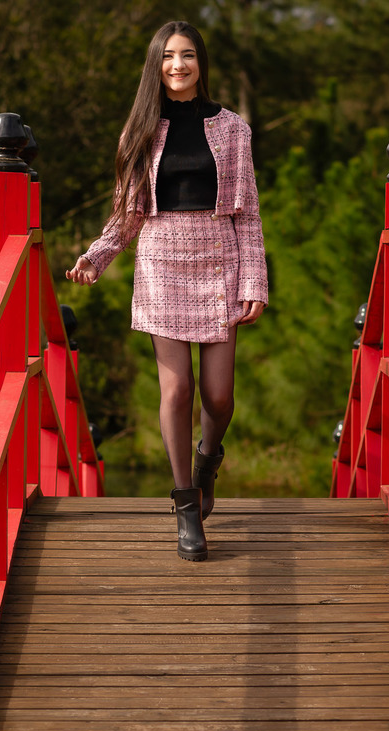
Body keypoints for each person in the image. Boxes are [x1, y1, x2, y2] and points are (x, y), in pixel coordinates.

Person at [65, 20, 268, 562]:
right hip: (161, 265)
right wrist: (97, 256)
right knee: (176, 393)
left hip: (220, 261)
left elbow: (247, 215)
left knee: (219, 397)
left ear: (201, 62)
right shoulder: (140, 130)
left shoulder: (233, 129)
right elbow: (128, 213)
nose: (178, 66)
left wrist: (254, 281)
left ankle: (207, 461)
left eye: (188, 56)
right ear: (156, 65)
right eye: (168, 57)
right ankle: (186, 507)